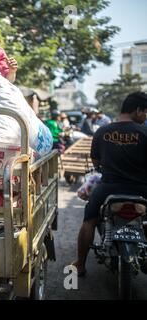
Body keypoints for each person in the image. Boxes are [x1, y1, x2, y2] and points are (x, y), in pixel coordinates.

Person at [72, 92, 147, 276]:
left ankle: (80, 264)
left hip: (108, 188)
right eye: (145, 112)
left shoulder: (102, 131)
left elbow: (96, 163)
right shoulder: (144, 132)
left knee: (89, 219)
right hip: (141, 189)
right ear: (137, 110)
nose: (145, 116)